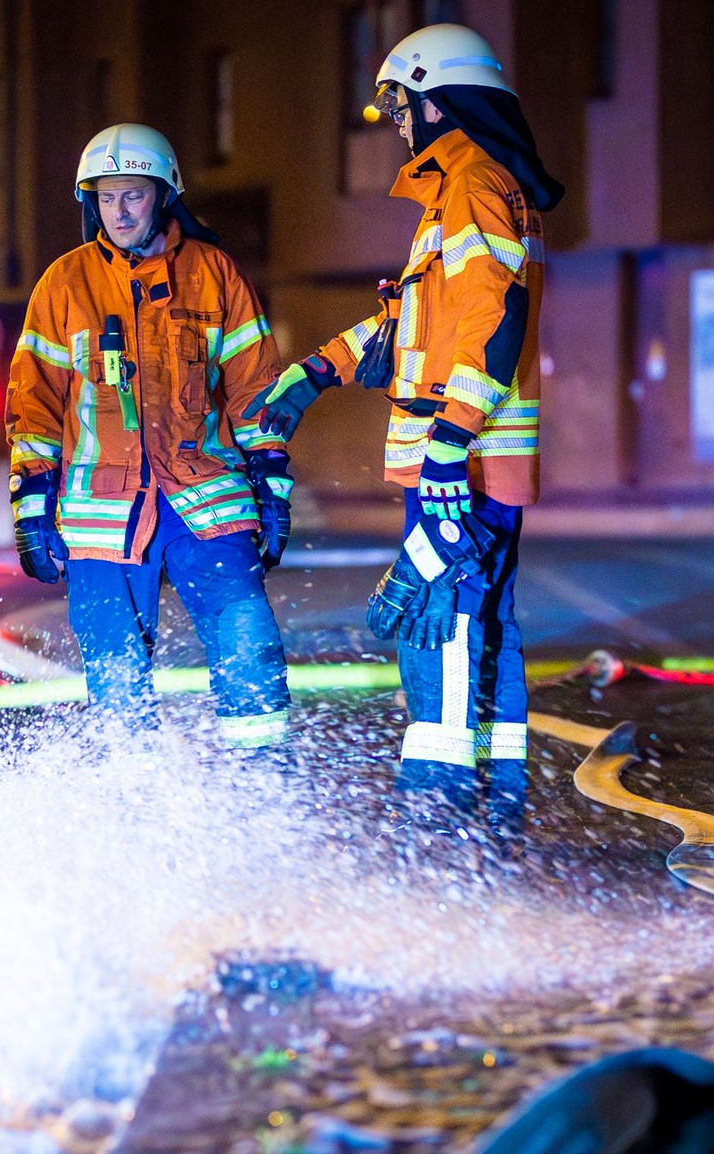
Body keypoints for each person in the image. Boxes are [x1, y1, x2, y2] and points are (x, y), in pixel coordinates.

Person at [246, 25, 563, 794]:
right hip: (468, 460)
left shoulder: (473, 187)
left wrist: (451, 439)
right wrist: (314, 372)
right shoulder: (460, 195)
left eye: (401, 104)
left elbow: (494, 317)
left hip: (462, 464)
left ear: (439, 100)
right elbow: (414, 326)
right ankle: (495, 798)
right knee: (474, 620)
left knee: (433, 614)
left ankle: (443, 799)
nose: (395, 122)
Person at [5, 123, 293, 750]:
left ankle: (263, 779)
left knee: (248, 637)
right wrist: (30, 505)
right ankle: (132, 796)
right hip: (101, 511)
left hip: (206, 496)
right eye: (105, 198)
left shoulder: (214, 273)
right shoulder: (63, 284)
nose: (118, 211)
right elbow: (34, 405)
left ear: (163, 193)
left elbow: (254, 387)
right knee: (114, 673)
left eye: (132, 195)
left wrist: (272, 480)